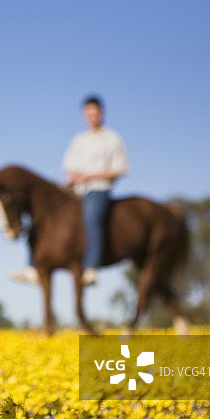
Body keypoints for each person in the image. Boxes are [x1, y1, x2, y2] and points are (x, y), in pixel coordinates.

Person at [63, 95, 129, 285]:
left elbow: (119, 169)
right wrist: (73, 178)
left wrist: (90, 176)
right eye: (88, 114)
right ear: (84, 115)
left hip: (98, 189)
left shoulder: (112, 139)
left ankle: (91, 267)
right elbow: (69, 167)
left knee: (92, 216)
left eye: (95, 113)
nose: (91, 117)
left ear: (101, 113)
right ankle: (34, 265)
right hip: (76, 189)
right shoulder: (78, 139)